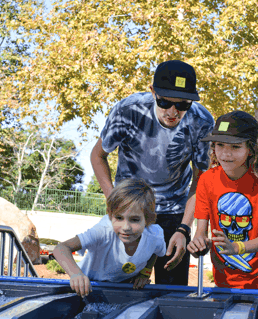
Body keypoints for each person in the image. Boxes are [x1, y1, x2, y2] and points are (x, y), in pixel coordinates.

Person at [90, 60, 214, 286]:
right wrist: (115, 203)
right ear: (153, 91)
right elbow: (97, 155)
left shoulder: (202, 122)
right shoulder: (128, 111)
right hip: (130, 211)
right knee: (121, 286)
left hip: (174, 212)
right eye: (165, 101)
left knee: (171, 292)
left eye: (183, 104)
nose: (173, 112)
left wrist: (184, 229)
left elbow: (201, 179)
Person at [187, 111, 258, 289]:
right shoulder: (206, 180)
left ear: (251, 149)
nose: (226, 153)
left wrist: (236, 248)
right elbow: (200, 233)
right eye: (220, 145)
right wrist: (199, 244)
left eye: (235, 147)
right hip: (223, 280)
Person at [53, 178, 167, 297]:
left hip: (122, 285)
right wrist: (76, 274)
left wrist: (145, 273)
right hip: (90, 284)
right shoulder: (103, 231)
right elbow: (60, 248)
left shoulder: (154, 236)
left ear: (148, 219)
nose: (126, 227)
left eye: (134, 220)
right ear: (110, 215)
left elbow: (156, 251)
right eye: (119, 218)